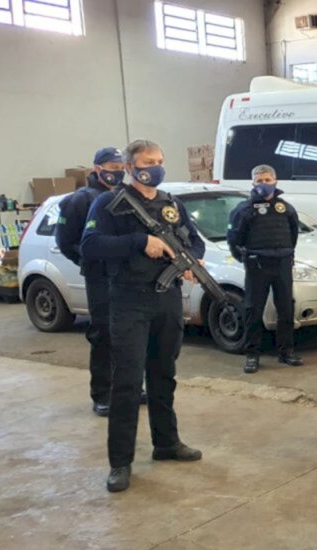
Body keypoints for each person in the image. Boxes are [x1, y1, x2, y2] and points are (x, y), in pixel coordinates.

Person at [82, 139, 205, 493]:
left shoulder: (171, 203)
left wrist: (191, 260)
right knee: (128, 382)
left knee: (164, 374)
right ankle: (120, 462)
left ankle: (166, 443)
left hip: (167, 299)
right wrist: (140, 242)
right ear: (130, 166)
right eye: (149, 161)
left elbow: (194, 241)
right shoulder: (108, 203)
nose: (156, 166)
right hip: (129, 300)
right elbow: (90, 247)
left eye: (161, 160)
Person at [55, 147, 127, 416]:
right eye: (111, 165)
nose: (116, 171)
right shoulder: (80, 200)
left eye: (120, 166)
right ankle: (103, 395)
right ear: (97, 168)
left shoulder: (125, 196)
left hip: (127, 277)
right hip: (100, 278)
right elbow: (65, 241)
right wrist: (90, 262)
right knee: (104, 334)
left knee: (128, 335)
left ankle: (128, 388)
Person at [227, 165, 303, 373]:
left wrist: (286, 254)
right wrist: (245, 258)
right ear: (252, 183)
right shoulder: (243, 210)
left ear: (276, 181)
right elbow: (234, 240)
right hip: (257, 265)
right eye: (259, 181)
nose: (264, 184)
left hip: (282, 264)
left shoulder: (286, 208)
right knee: (253, 309)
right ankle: (252, 355)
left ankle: (286, 352)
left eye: (268, 180)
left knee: (286, 308)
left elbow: (293, 235)